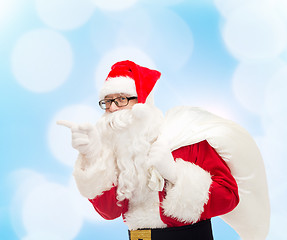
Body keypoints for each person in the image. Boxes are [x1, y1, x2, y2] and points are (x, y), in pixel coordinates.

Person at [58, 60, 270, 240]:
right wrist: (93, 157)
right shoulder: (116, 153)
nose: (112, 108)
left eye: (121, 99)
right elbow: (109, 211)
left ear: (143, 102)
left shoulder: (184, 138)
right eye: (107, 102)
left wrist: (177, 175)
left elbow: (228, 197)